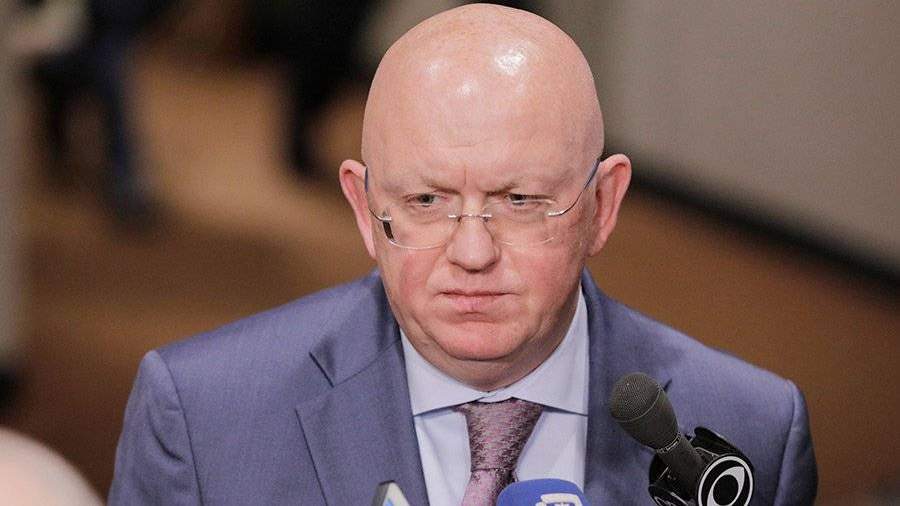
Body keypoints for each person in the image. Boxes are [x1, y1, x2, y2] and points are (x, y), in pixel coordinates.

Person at [109, 5, 817, 505]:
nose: (472, 253)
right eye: (425, 201)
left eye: (520, 200)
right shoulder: (201, 418)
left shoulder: (755, 431)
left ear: (603, 205)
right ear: (362, 208)